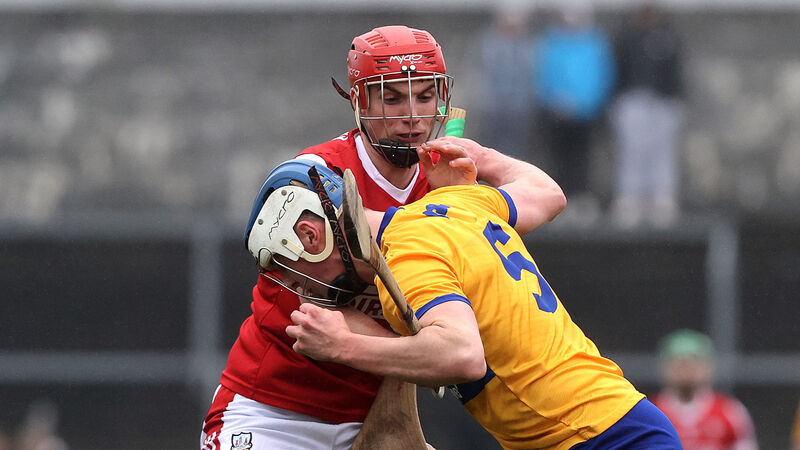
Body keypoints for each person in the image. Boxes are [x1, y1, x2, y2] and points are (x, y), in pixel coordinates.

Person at [249, 139, 682, 449]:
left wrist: (344, 346)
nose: (298, 287)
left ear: (309, 234)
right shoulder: (454, 205)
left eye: (291, 270)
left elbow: (462, 355)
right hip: (614, 421)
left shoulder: (407, 253)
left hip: (597, 437)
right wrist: (484, 157)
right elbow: (547, 193)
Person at [201, 25, 501, 449]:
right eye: (393, 97)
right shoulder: (312, 181)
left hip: (377, 422)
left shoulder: (451, 182)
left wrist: (485, 165)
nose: (412, 115)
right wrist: (433, 350)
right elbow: (320, 321)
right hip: (274, 412)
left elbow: (548, 196)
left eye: (425, 96)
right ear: (360, 101)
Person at [532, 1, 615, 225]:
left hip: (585, 114)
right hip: (557, 113)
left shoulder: (595, 43)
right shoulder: (552, 42)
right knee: (559, 157)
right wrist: (554, 101)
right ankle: (559, 199)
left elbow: (601, 77)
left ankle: (581, 200)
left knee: (583, 158)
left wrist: (585, 104)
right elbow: (544, 75)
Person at [610, 4, 685, 228]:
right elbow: (618, 70)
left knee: (662, 151)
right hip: (632, 99)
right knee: (631, 151)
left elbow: (676, 70)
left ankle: (662, 196)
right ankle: (630, 197)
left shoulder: (669, 35)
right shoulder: (625, 36)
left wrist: (677, 98)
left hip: (663, 101)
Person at [652, 329, 758, 449]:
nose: (686, 370)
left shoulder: (730, 412)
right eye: (679, 363)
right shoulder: (649, 412)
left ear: (708, 367)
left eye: (693, 362)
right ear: (664, 367)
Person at [475, 3, 536, 160]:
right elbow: (485, 69)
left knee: (516, 149)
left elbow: (530, 72)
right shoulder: (490, 41)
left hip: (519, 106)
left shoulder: (527, 43)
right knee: (491, 148)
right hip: (493, 106)